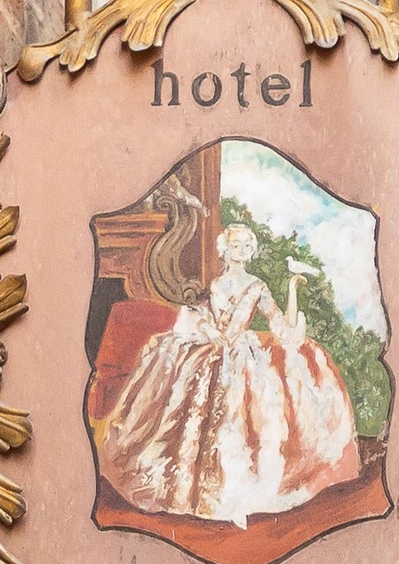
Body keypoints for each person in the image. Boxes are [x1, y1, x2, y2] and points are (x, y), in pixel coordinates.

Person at [93, 217, 362, 527]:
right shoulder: (217, 284)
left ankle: (235, 485)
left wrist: (291, 292)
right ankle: (195, 483)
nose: (242, 250)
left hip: (243, 353)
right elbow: (203, 316)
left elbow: (277, 322)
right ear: (225, 250)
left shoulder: (257, 286)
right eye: (236, 245)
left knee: (249, 405)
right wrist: (209, 330)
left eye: (247, 246)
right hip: (213, 348)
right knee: (185, 388)